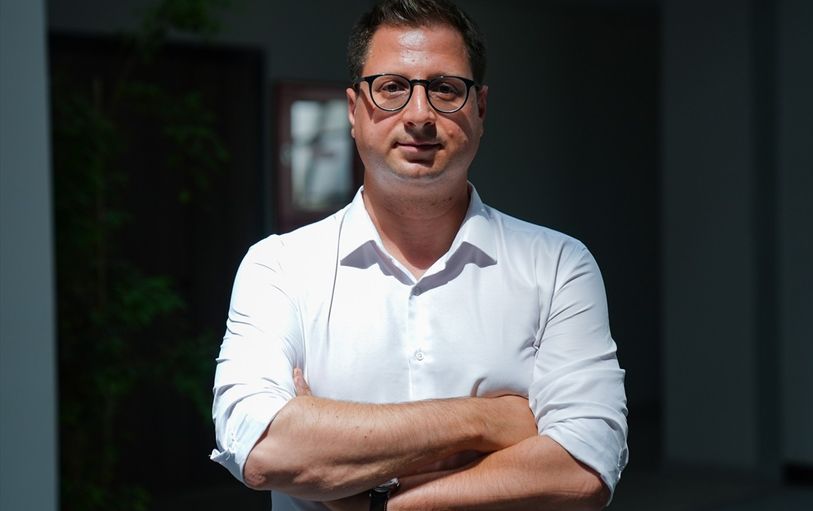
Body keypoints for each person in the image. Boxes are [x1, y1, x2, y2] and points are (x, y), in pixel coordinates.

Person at [211, 0, 628, 509]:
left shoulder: (559, 266)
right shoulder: (279, 267)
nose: (419, 115)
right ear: (353, 110)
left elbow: (584, 467)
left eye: (445, 89)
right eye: (392, 87)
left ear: (480, 110)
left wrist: (369, 500)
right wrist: (488, 420)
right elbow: (263, 450)